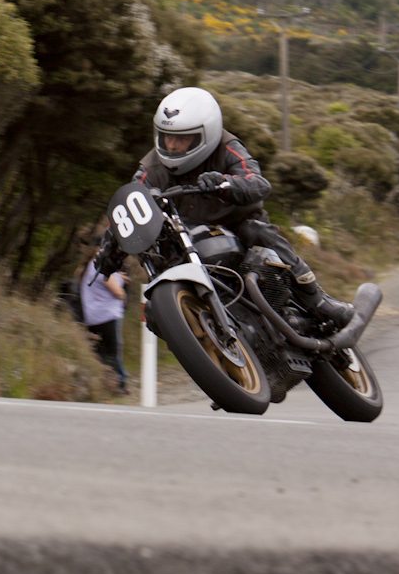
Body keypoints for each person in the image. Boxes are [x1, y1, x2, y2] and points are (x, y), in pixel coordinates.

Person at [99, 86, 354, 328]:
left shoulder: (227, 147)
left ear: (206, 134)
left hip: (236, 223)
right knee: (156, 311)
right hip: (185, 237)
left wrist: (226, 183)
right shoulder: (151, 168)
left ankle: (317, 300)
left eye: (183, 139)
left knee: (259, 232)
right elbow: (130, 207)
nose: (173, 146)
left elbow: (258, 182)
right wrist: (109, 249)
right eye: (167, 138)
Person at [79, 234, 129, 392]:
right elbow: (117, 292)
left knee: (100, 352)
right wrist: (123, 294)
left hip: (93, 316)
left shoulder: (91, 265)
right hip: (107, 315)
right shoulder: (100, 267)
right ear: (98, 249)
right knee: (113, 351)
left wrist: (118, 277)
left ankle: (102, 383)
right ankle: (120, 383)